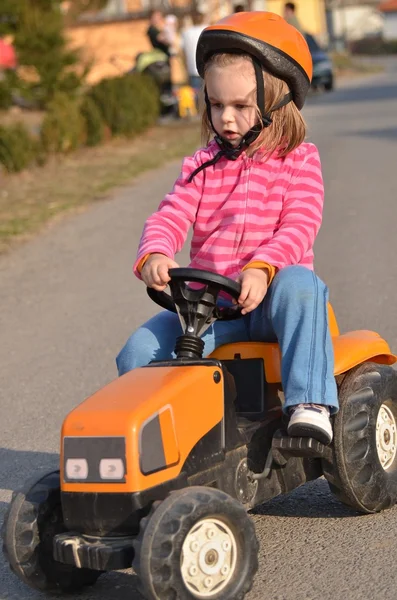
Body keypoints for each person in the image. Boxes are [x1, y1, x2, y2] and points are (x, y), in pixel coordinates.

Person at [116, 12, 338, 444]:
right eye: (216, 105)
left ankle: (309, 403)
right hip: (211, 308)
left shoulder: (300, 161)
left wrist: (262, 266)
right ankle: (170, 441)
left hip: (271, 304)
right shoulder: (200, 166)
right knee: (139, 350)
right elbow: (171, 214)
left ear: (274, 103)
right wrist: (156, 252)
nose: (226, 118)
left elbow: (300, 224)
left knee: (301, 285)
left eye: (240, 106)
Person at [180, 11, 208, 94]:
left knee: (196, 95)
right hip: (207, 68)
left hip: (192, 68)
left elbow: (183, 52)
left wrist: (185, 67)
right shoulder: (207, 30)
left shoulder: (186, 33)